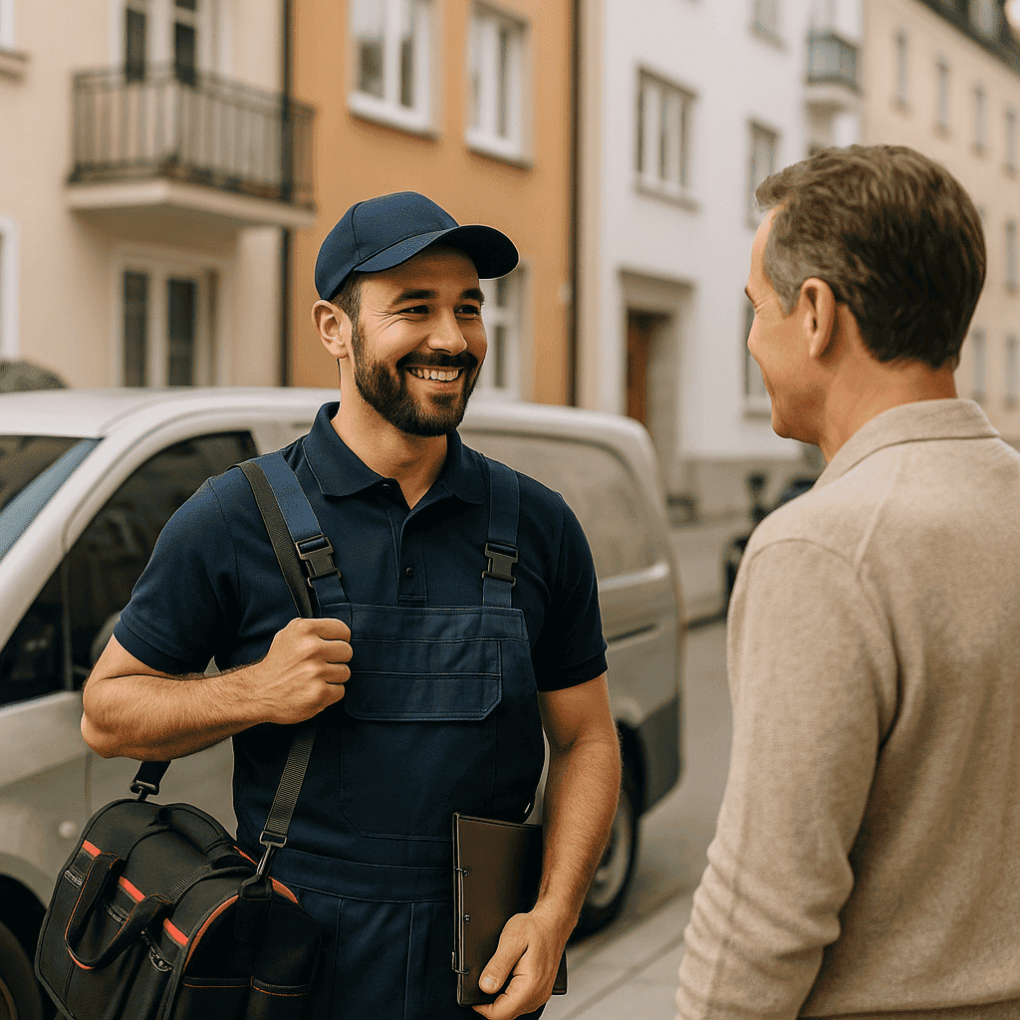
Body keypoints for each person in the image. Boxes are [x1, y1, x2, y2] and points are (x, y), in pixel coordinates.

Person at [81, 191, 621, 1020]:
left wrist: (554, 915)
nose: (452, 337)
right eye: (415, 308)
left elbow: (585, 736)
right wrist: (256, 692)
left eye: (468, 308)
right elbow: (107, 714)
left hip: (478, 968)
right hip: (293, 962)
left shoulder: (539, 525)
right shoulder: (235, 517)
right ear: (335, 328)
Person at [676, 145, 1020, 1019]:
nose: (753, 338)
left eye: (757, 309)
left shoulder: (821, 550)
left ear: (818, 315)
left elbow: (764, 908)